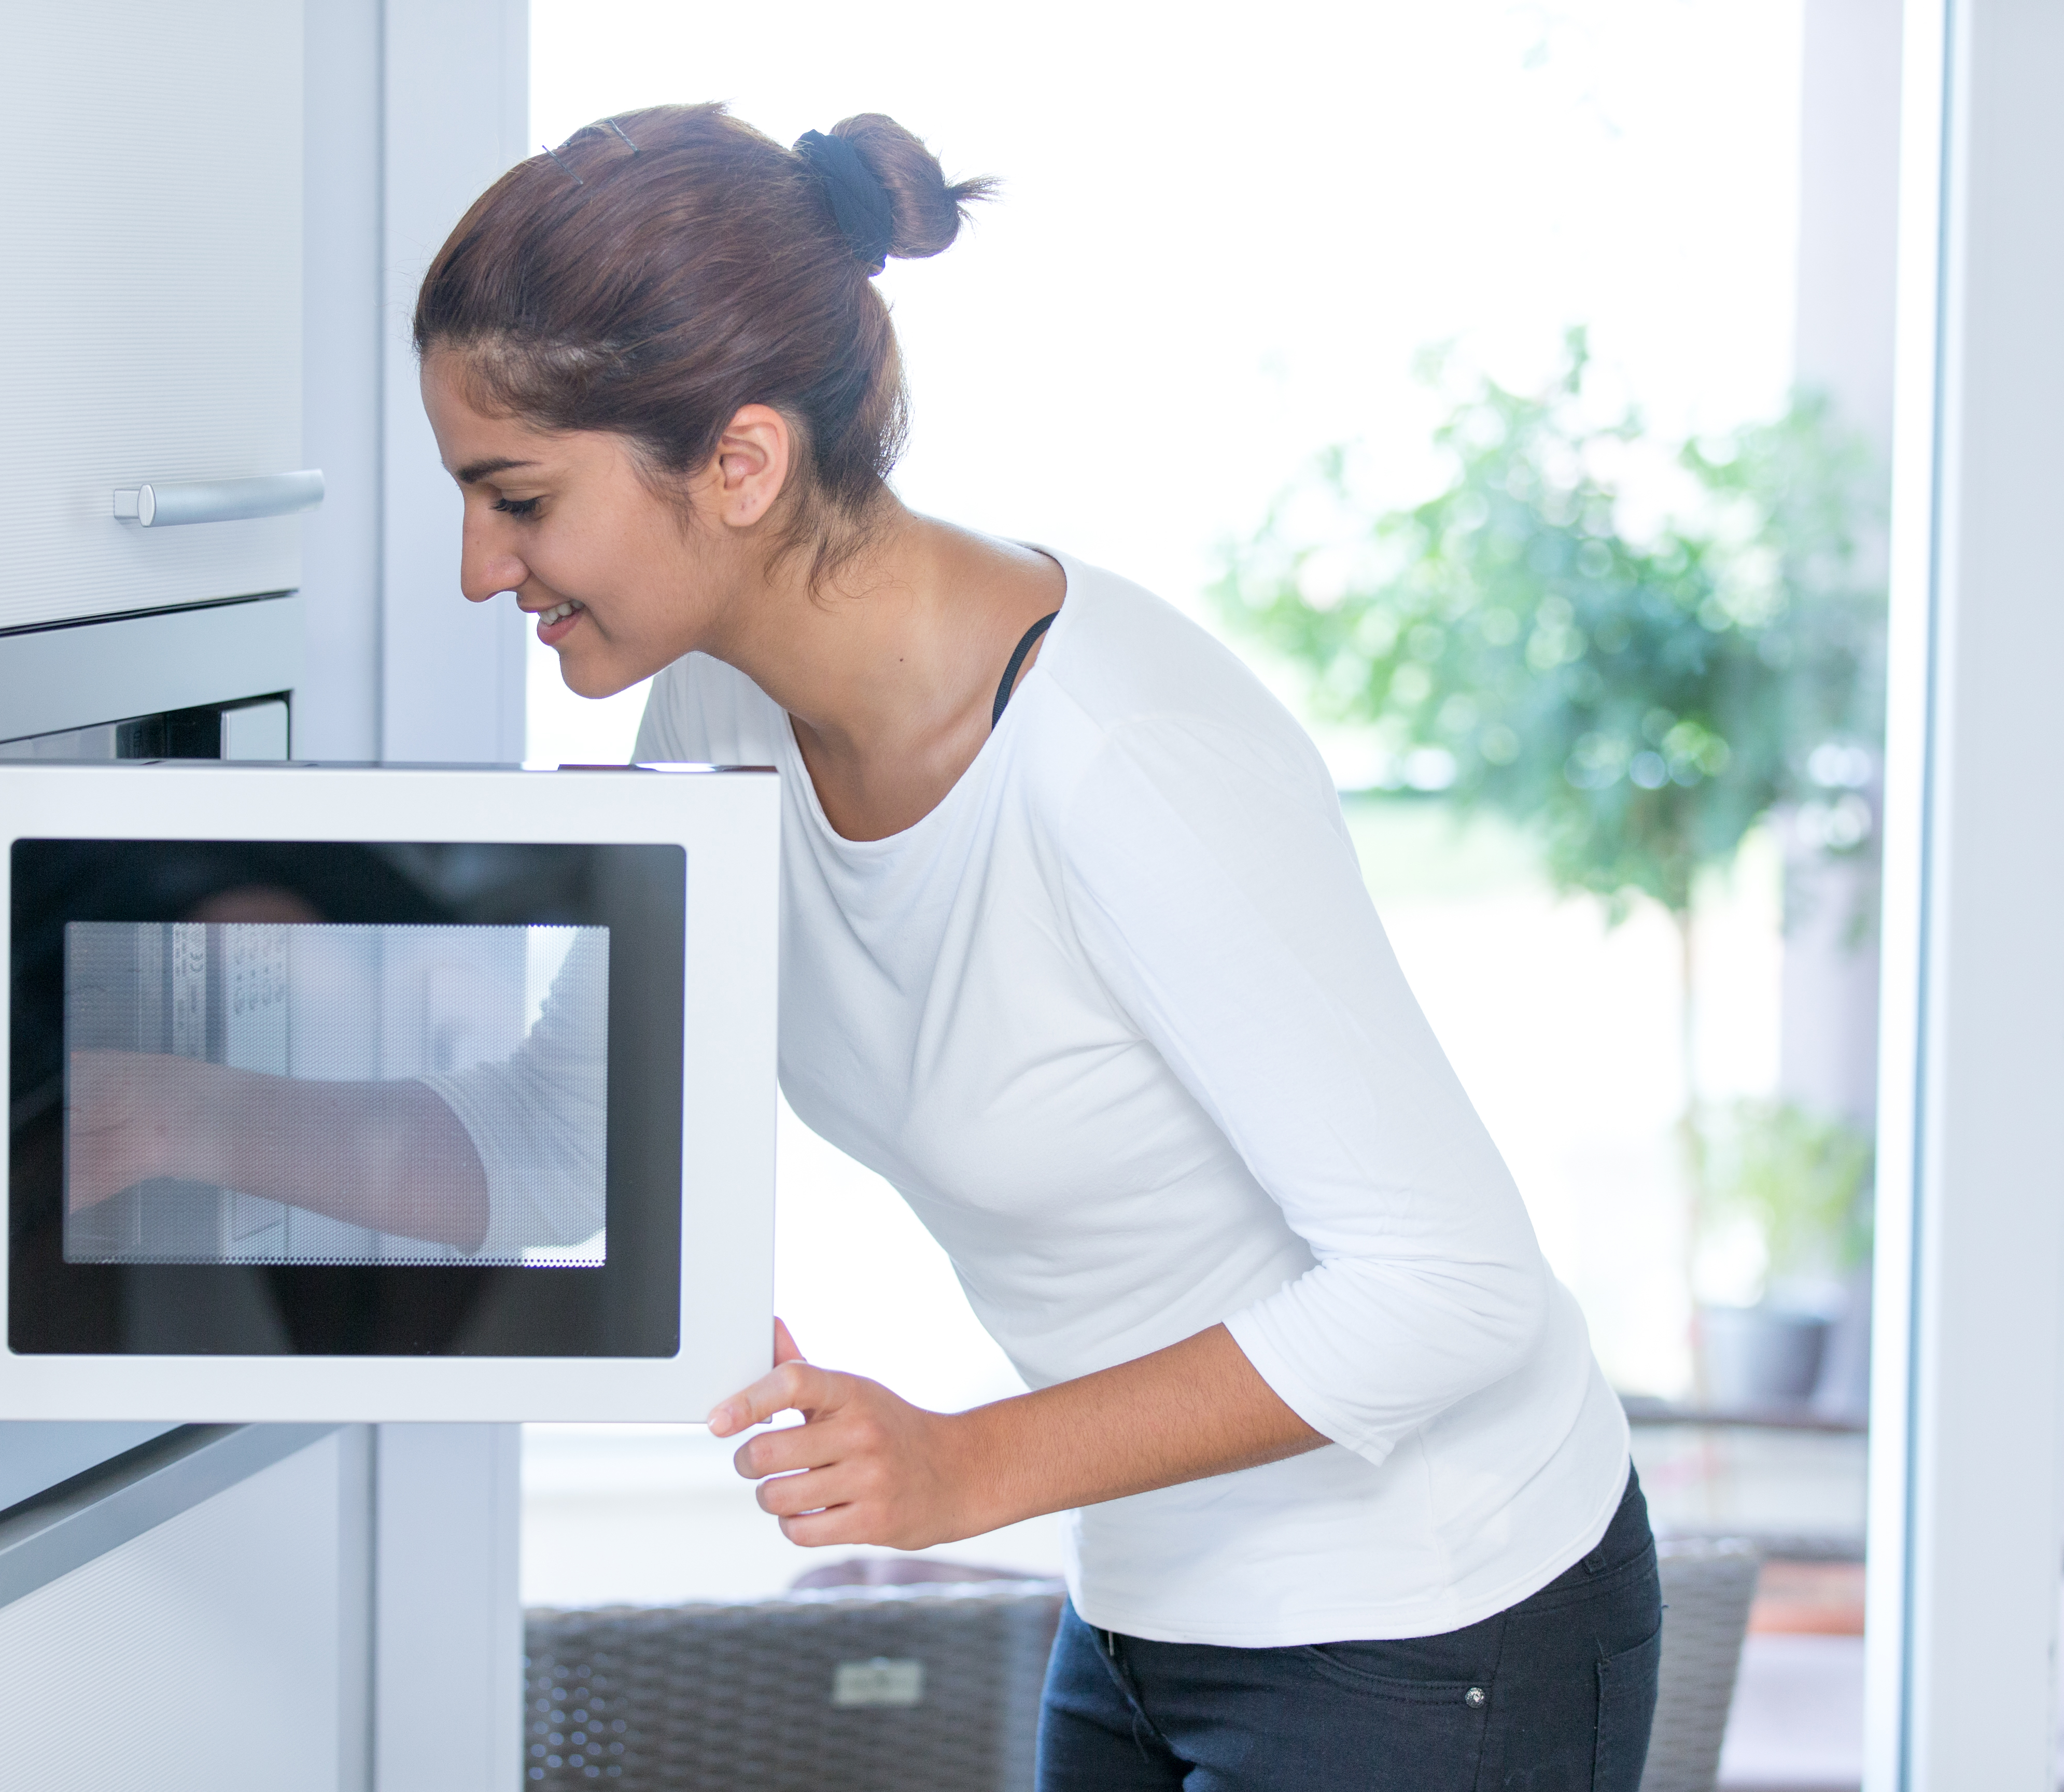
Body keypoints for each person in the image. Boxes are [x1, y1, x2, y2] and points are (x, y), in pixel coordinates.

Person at [413, 105, 1658, 1789]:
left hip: (1438, 1625)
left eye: (520, 499)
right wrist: (174, 1124)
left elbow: (1456, 1292)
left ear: (743, 464)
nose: (484, 566)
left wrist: (958, 1470)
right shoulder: (719, 705)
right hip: (1149, 1594)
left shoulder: (1119, 759)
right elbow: (562, 1137)